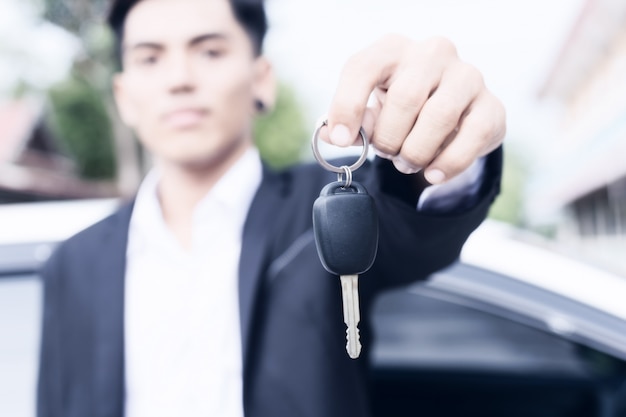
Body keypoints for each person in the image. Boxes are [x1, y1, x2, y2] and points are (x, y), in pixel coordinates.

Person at [36, 0, 505, 416]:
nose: (179, 79)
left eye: (209, 51)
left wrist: (445, 144)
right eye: (150, 58)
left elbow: (416, 220)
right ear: (125, 97)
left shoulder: (327, 207)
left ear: (261, 80)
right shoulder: (72, 264)